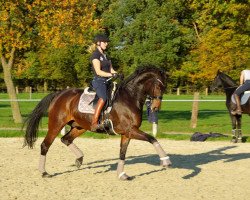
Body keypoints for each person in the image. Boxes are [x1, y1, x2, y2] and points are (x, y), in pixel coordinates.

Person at [90, 33, 117, 131]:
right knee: (103, 97)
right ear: (98, 43)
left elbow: (111, 70)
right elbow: (98, 71)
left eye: (107, 42)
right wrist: (111, 75)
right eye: (104, 42)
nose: (106, 44)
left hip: (108, 81)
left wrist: (117, 74)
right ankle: (94, 122)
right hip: (99, 81)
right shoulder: (95, 55)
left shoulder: (106, 56)